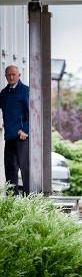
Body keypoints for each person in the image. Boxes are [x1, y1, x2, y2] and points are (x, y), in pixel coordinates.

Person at [0, 65, 29, 195]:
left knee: (26, 170)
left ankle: (31, 200)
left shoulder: (25, 91)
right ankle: (12, 203)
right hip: (9, 137)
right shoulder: (4, 93)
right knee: (10, 171)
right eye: (8, 75)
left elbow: (33, 114)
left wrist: (25, 130)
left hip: (22, 137)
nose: (11, 77)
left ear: (19, 75)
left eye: (13, 74)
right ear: (6, 76)